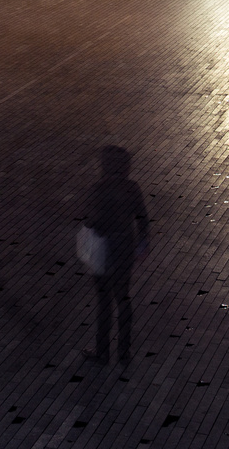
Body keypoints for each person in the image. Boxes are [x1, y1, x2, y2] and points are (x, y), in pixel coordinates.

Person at [83, 146, 148, 366]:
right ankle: (124, 350)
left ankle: (102, 351)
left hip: (103, 248)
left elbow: (91, 220)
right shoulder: (132, 188)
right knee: (123, 297)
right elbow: (142, 218)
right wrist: (142, 244)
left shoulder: (98, 188)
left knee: (103, 301)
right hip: (125, 248)